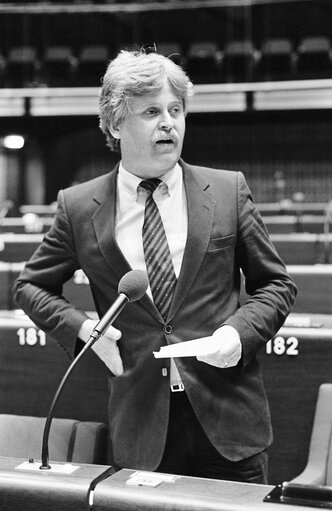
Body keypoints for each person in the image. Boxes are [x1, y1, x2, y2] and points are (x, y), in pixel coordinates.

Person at [13, 48, 297, 484]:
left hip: (229, 421)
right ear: (114, 123)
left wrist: (237, 334)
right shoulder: (78, 207)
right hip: (142, 426)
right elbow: (30, 287)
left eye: (175, 110)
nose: (169, 122)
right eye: (150, 111)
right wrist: (84, 330)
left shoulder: (227, 190)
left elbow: (275, 285)